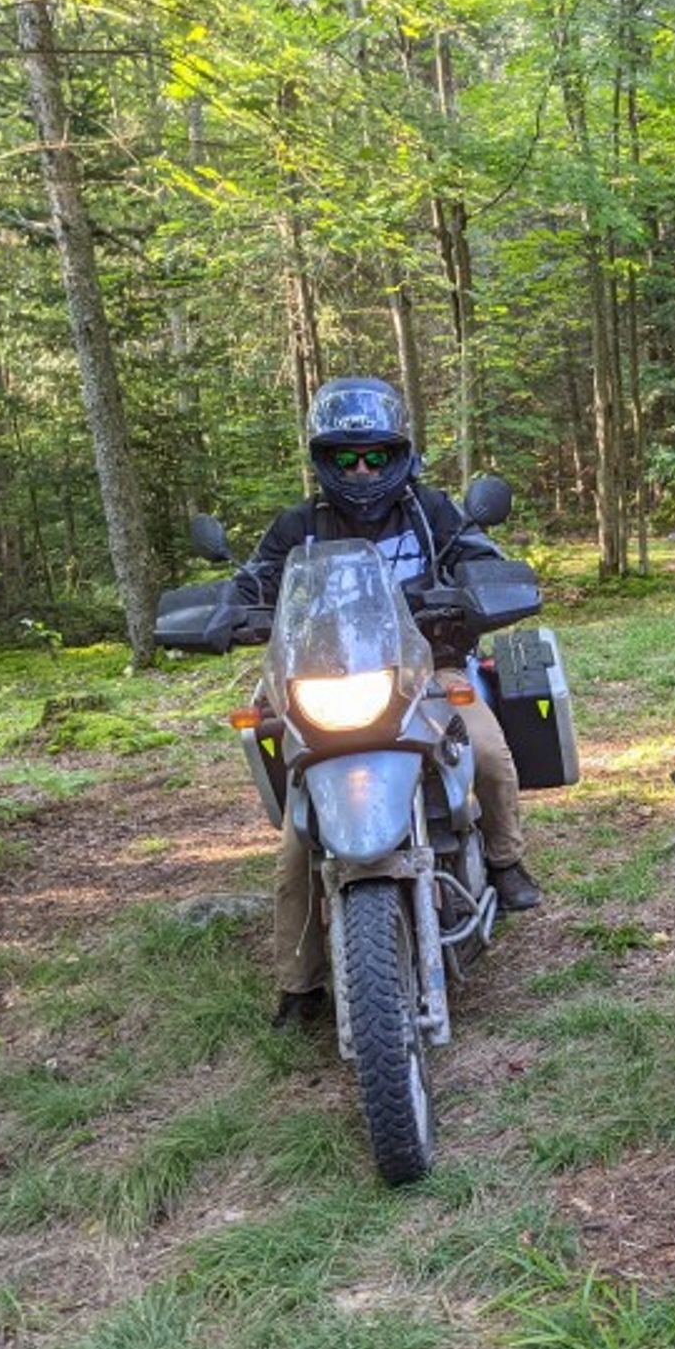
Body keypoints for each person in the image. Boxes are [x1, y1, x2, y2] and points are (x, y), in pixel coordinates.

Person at [234, 376, 543, 1026]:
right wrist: (230, 612)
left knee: (486, 749)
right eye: (347, 459)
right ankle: (300, 981)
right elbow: (254, 583)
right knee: (297, 840)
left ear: (399, 451)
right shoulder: (298, 528)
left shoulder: (433, 514)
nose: (364, 468)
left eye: (376, 453)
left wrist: (476, 591)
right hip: (324, 684)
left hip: (428, 669)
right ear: (324, 461)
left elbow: (480, 557)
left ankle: (506, 858)